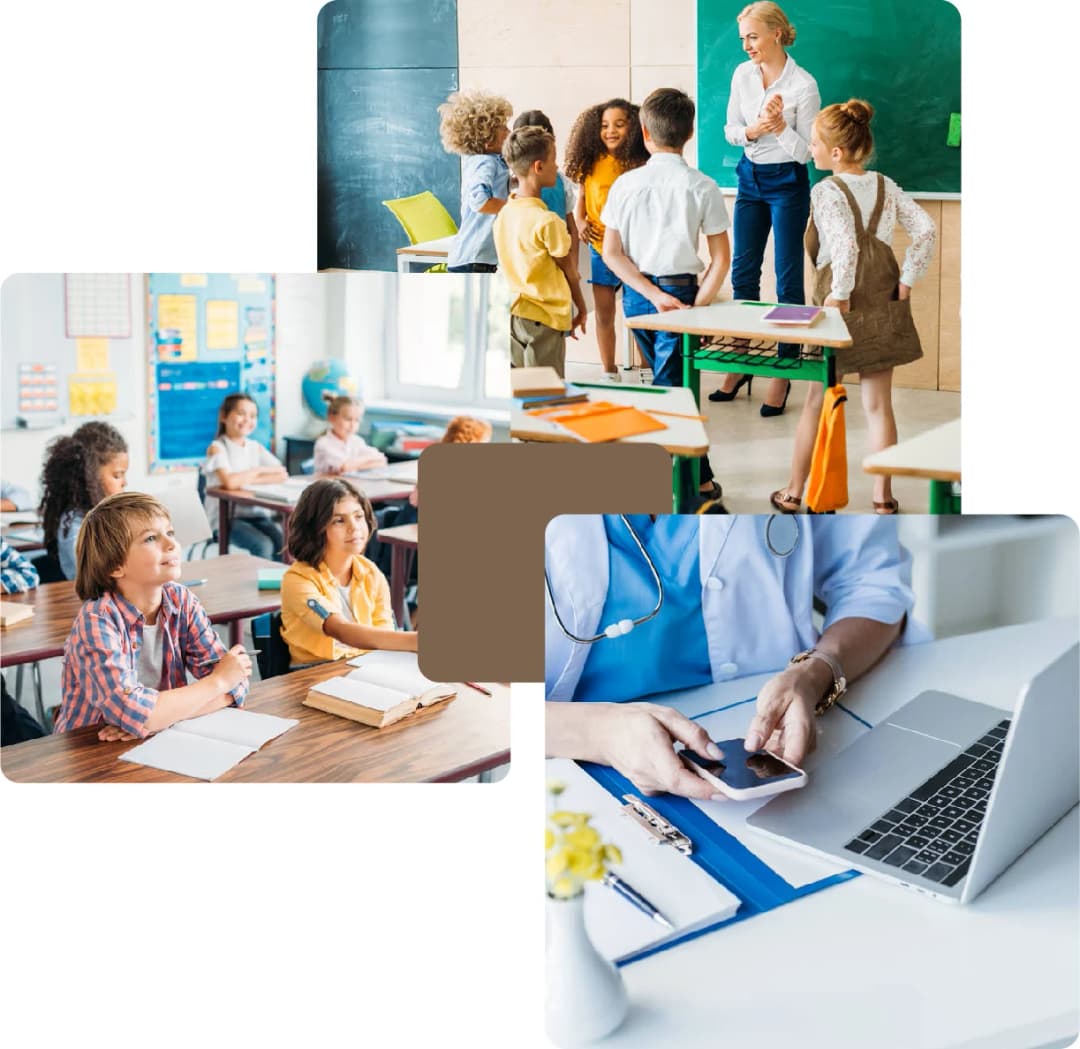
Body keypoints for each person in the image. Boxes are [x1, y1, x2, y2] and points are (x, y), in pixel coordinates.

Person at [545, 514, 919, 800]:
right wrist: (598, 731)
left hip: (773, 742)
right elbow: (487, 704)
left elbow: (872, 582)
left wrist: (816, 671)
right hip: (571, 766)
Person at [770, 99, 936, 515]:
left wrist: (839, 294)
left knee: (816, 399)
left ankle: (794, 492)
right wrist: (907, 281)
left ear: (837, 153)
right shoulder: (885, 185)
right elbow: (926, 230)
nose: (811, 150)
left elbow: (843, 245)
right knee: (879, 405)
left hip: (837, 302)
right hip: (882, 295)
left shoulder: (826, 190)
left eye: (814, 143)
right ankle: (883, 498)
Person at [600, 87, 730, 504]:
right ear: (690, 133)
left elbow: (612, 255)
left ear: (643, 132)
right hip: (680, 293)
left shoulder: (626, 183)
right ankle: (672, 484)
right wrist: (698, 309)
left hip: (638, 295)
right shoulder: (702, 185)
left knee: (667, 388)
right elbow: (720, 260)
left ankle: (698, 478)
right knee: (670, 391)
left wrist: (650, 294)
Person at [55, 492, 251, 739]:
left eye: (170, 533)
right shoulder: (97, 620)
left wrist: (155, 720)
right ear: (115, 566)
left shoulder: (182, 601)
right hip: (91, 751)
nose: (171, 544)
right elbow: (132, 710)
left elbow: (238, 685)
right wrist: (217, 684)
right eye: (150, 538)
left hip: (158, 740)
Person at [711, 1, 820, 417]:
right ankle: (740, 363)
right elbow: (730, 129)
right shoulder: (743, 75)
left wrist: (780, 128)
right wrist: (754, 129)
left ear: (776, 33)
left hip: (788, 183)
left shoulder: (803, 86)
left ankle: (784, 368)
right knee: (743, 272)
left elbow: (808, 153)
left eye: (753, 37)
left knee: (789, 279)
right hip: (749, 178)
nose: (746, 46)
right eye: (743, 38)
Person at [280, 478, 417, 667]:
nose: (354, 527)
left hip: (364, 665)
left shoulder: (371, 573)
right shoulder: (298, 580)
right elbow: (340, 629)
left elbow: (384, 636)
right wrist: (416, 641)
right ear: (316, 529)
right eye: (339, 521)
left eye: (358, 516)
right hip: (314, 672)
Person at [564, 97, 650, 382]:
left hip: (633, 251)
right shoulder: (591, 162)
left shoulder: (638, 163)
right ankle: (609, 371)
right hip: (601, 248)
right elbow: (582, 199)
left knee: (638, 314)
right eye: (604, 125)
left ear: (634, 128)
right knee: (604, 314)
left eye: (619, 124)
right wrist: (579, 220)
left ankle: (646, 370)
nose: (610, 131)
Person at [494, 125, 587, 376]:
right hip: (544, 318)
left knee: (521, 389)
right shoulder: (547, 221)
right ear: (538, 167)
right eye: (553, 161)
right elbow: (570, 272)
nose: (557, 167)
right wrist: (581, 308)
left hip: (513, 315)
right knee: (546, 394)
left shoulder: (504, 213)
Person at [202, 392, 288, 560]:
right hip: (225, 519)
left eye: (253, 416)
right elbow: (230, 483)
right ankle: (260, 586)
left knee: (283, 543)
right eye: (241, 414)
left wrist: (247, 478)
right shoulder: (217, 447)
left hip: (255, 515)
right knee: (263, 545)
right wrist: (257, 471)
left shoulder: (254, 447)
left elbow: (281, 472)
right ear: (223, 416)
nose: (247, 420)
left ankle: (280, 585)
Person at [38, 420, 129, 580]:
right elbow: (94, 579)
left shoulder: (105, 516)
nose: (124, 482)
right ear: (90, 477)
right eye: (117, 475)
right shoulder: (74, 526)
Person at [438, 89, 512, 273]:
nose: (509, 131)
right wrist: (514, 209)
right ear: (487, 139)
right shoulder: (486, 162)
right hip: (474, 258)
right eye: (503, 128)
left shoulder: (485, 161)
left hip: (474, 257)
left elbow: (497, 185)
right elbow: (479, 200)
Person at [512, 109, 579, 257]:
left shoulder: (562, 182)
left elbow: (571, 228)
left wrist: (572, 266)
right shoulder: (510, 186)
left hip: (558, 262)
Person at [313, 393, 387, 476]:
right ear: (331, 417)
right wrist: (368, 460)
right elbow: (344, 467)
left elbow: (382, 460)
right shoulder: (324, 443)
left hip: (348, 483)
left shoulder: (356, 441)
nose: (352, 425)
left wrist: (354, 465)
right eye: (348, 419)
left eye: (357, 420)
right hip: (327, 487)